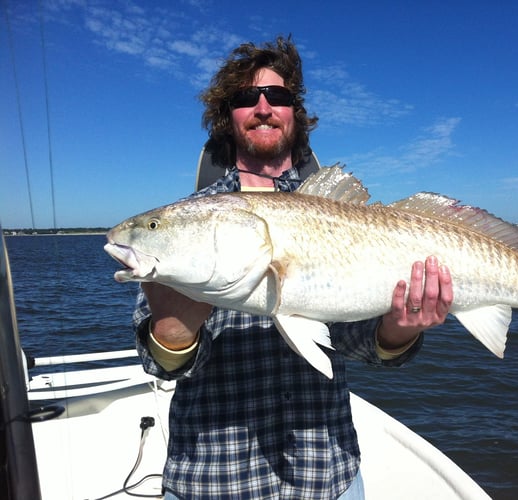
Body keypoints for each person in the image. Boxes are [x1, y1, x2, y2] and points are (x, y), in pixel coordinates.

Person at [133, 36, 453, 500]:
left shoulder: (338, 213)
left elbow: (354, 343)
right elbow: (159, 366)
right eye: (246, 98)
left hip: (327, 478)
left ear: (294, 113)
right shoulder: (187, 221)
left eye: (277, 96)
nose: (263, 107)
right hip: (213, 481)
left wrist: (398, 331)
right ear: (228, 116)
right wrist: (172, 330)